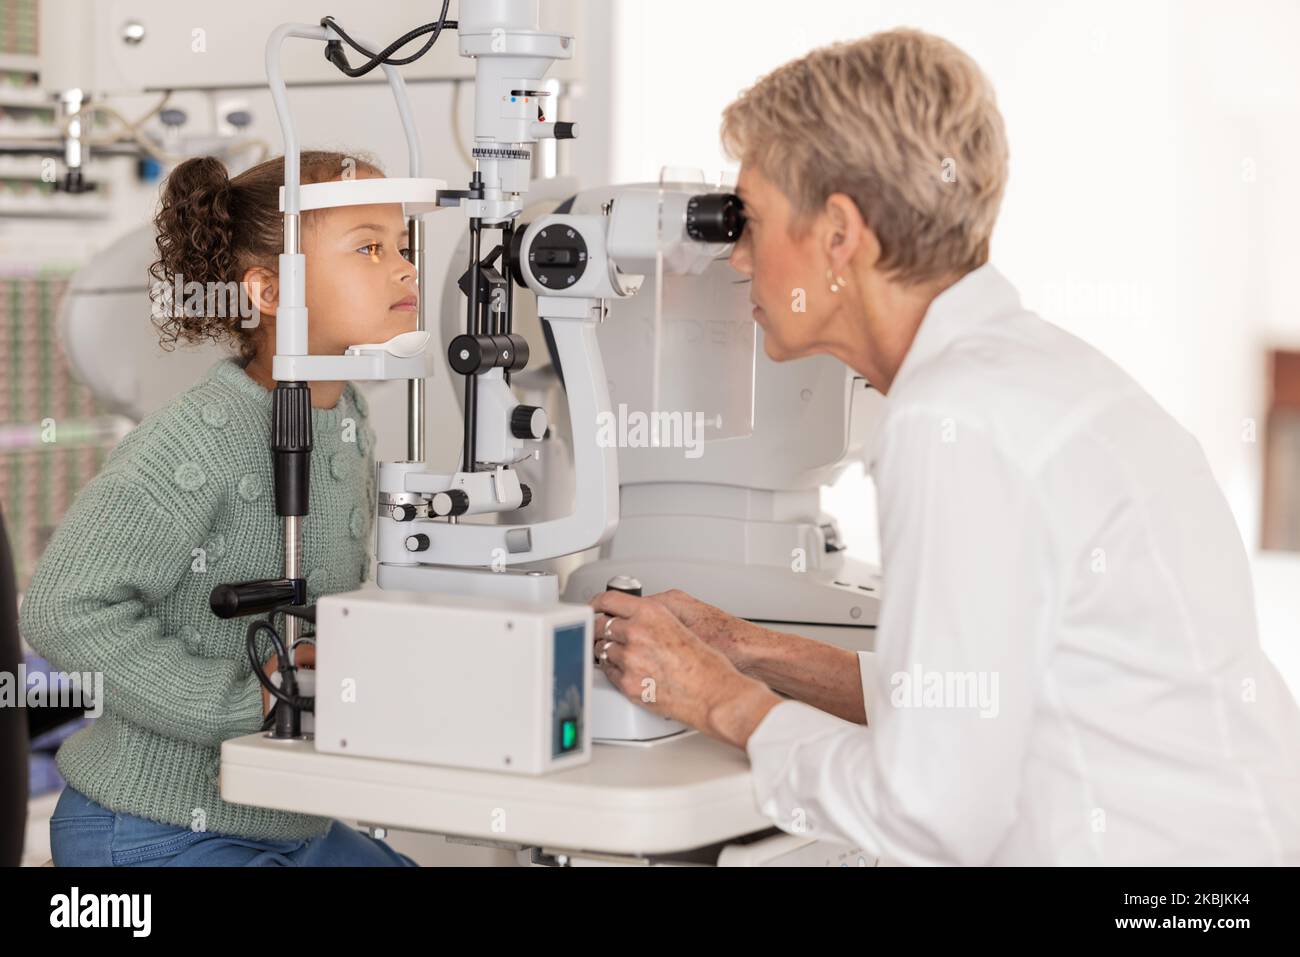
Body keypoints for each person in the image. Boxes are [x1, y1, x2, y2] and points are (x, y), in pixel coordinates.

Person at [589, 28, 1300, 865]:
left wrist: (721, 699)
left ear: (840, 236)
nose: (738, 258)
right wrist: (748, 648)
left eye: (754, 220)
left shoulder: (954, 419)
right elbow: (976, 700)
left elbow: (932, 811)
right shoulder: (1031, 375)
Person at [21, 151, 419, 866]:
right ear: (267, 290)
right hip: (150, 825)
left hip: (288, 820)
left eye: (402, 246)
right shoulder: (196, 437)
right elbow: (60, 608)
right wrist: (250, 702)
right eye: (368, 247)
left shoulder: (349, 412)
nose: (403, 269)